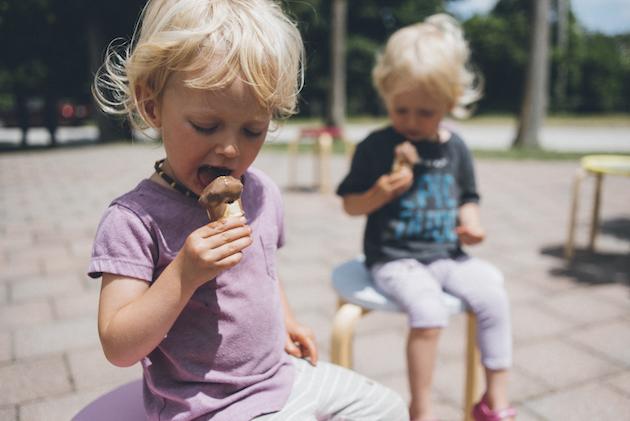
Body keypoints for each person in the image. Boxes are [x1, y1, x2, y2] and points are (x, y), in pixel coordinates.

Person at [89, 1, 409, 420]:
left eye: (253, 130)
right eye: (206, 126)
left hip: (279, 375)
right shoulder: (133, 221)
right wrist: (184, 273)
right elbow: (119, 345)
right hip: (205, 404)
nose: (230, 149)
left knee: (386, 408)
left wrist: (288, 323)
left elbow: (264, 271)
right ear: (152, 107)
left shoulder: (261, 193)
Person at [336, 14, 516, 421]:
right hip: (394, 258)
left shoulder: (456, 149)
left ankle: (495, 400)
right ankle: (422, 407)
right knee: (428, 310)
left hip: (447, 255)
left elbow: (468, 196)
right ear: (386, 95)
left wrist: (473, 226)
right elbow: (350, 204)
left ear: (450, 105)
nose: (412, 123)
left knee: (492, 294)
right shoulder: (376, 147)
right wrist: (378, 193)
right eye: (402, 110)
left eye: (426, 112)